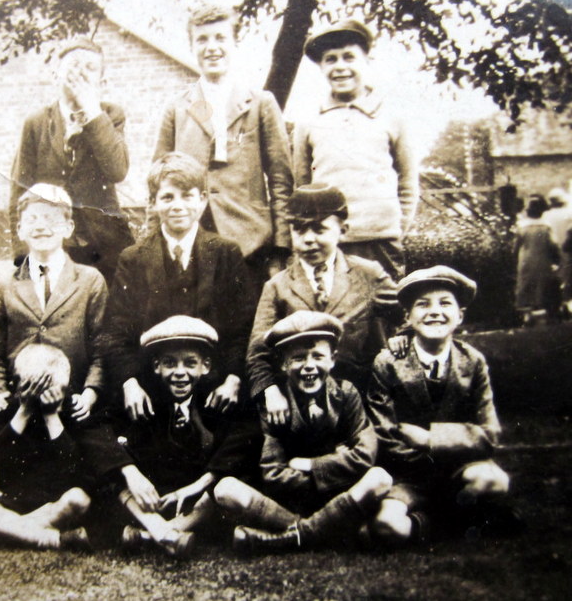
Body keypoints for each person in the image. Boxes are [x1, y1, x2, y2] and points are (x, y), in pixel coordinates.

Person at [217, 311, 393, 554]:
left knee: (380, 478)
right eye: (298, 358)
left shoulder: (346, 393)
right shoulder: (275, 403)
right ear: (283, 364)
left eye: (318, 356)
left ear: (333, 359)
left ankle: (289, 538)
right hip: (291, 504)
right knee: (225, 489)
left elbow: (364, 456)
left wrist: (309, 465)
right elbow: (273, 474)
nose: (309, 366)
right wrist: (337, 460)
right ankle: (325, 532)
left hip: (340, 496)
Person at [365, 266, 514, 545]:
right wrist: (431, 455)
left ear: (459, 316)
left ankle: (440, 518)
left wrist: (430, 439)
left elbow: (489, 434)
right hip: (409, 476)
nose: (435, 311)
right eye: (423, 305)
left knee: (494, 481)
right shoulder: (388, 362)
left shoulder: (473, 361)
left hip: (459, 469)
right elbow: (385, 433)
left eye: (445, 303)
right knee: (387, 526)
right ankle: (445, 521)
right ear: (408, 317)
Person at [153, 2, 293, 292]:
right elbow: (157, 181)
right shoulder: (178, 108)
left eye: (220, 38)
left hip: (250, 243)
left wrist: (281, 249)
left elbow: (281, 181)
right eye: (202, 40)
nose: (211, 47)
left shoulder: (259, 103)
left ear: (234, 43)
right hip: (191, 241)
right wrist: (156, 244)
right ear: (192, 46)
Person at [105, 152, 254, 422]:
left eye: (187, 196)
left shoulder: (226, 254)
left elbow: (242, 328)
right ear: (152, 203)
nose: (178, 206)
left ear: (203, 200)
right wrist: (130, 384)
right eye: (167, 197)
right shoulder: (133, 259)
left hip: (216, 388)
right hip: (152, 390)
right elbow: (117, 333)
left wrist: (232, 380)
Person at [247, 183, 399, 425]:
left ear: (343, 229)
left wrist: (402, 337)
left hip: (361, 401)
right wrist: (269, 391)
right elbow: (258, 351)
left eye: (319, 229)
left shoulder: (368, 275)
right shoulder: (277, 286)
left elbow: (412, 313)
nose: (308, 239)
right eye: (299, 230)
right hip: (299, 405)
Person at [117, 316, 263, 558]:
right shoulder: (146, 399)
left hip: (196, 503)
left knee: (227, 482)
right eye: (170, 363)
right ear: (156, 366)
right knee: (114, 475)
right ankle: (164, 533)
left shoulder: (216, 399)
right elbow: (99, 430)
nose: (180, 373)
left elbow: (248, 432)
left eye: (190, 363)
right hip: (157, 499)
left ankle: (159, 534)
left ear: (205, 366)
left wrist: (200, 484)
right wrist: (131, 473)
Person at [294, 19, 418, 279]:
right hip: (330, 242)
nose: (340, 67)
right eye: (331, 59)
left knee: (385, 311)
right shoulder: (309, 120)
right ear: (321, 67)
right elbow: (302, 184)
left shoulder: (391, 116)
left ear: (366, 60)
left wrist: (396, 226)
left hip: (381, 240)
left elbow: (408, 181)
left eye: (349, 57)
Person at [10, 37, 134, 282]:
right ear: (56, 74)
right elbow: (18, 190)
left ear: (102, 81)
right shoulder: (37, 123)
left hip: (106, 244)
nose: (80, 74)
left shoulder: (110, 116)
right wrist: (23, 257)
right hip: (54, 242)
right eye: (73, 66)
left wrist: (90, 109)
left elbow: (117, 170)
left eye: (89, 68)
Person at [0, 183, 108, 424]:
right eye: (32, 219)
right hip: (20, 405)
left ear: (68, 227)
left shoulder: (89, 280)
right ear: (19, 230)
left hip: (74, 404)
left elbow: (101, 348)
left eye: (51, 219)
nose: (41, 226)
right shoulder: (3, 284)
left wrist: (90, 393)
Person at [0, 343, 98, 551]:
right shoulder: (9, 408)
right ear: (20, 385)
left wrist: (51, 415)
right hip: (14, 502)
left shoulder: (72, 409)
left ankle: (10, 532)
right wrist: (24, 410)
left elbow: (72, 467)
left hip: (56, 502)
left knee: (79, 498)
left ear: (65, 386)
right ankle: (51, 538)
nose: (43, 396)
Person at [514, 194, 560, 325]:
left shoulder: (522, 226)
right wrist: (556, 260)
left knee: (526, 284)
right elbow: (553, 245)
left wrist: (515, 257)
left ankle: (527, 314)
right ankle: (544, 312)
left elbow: (516, 246)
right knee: (542, 285)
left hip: (526, 259)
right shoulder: (545, 227)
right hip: (542, 258)